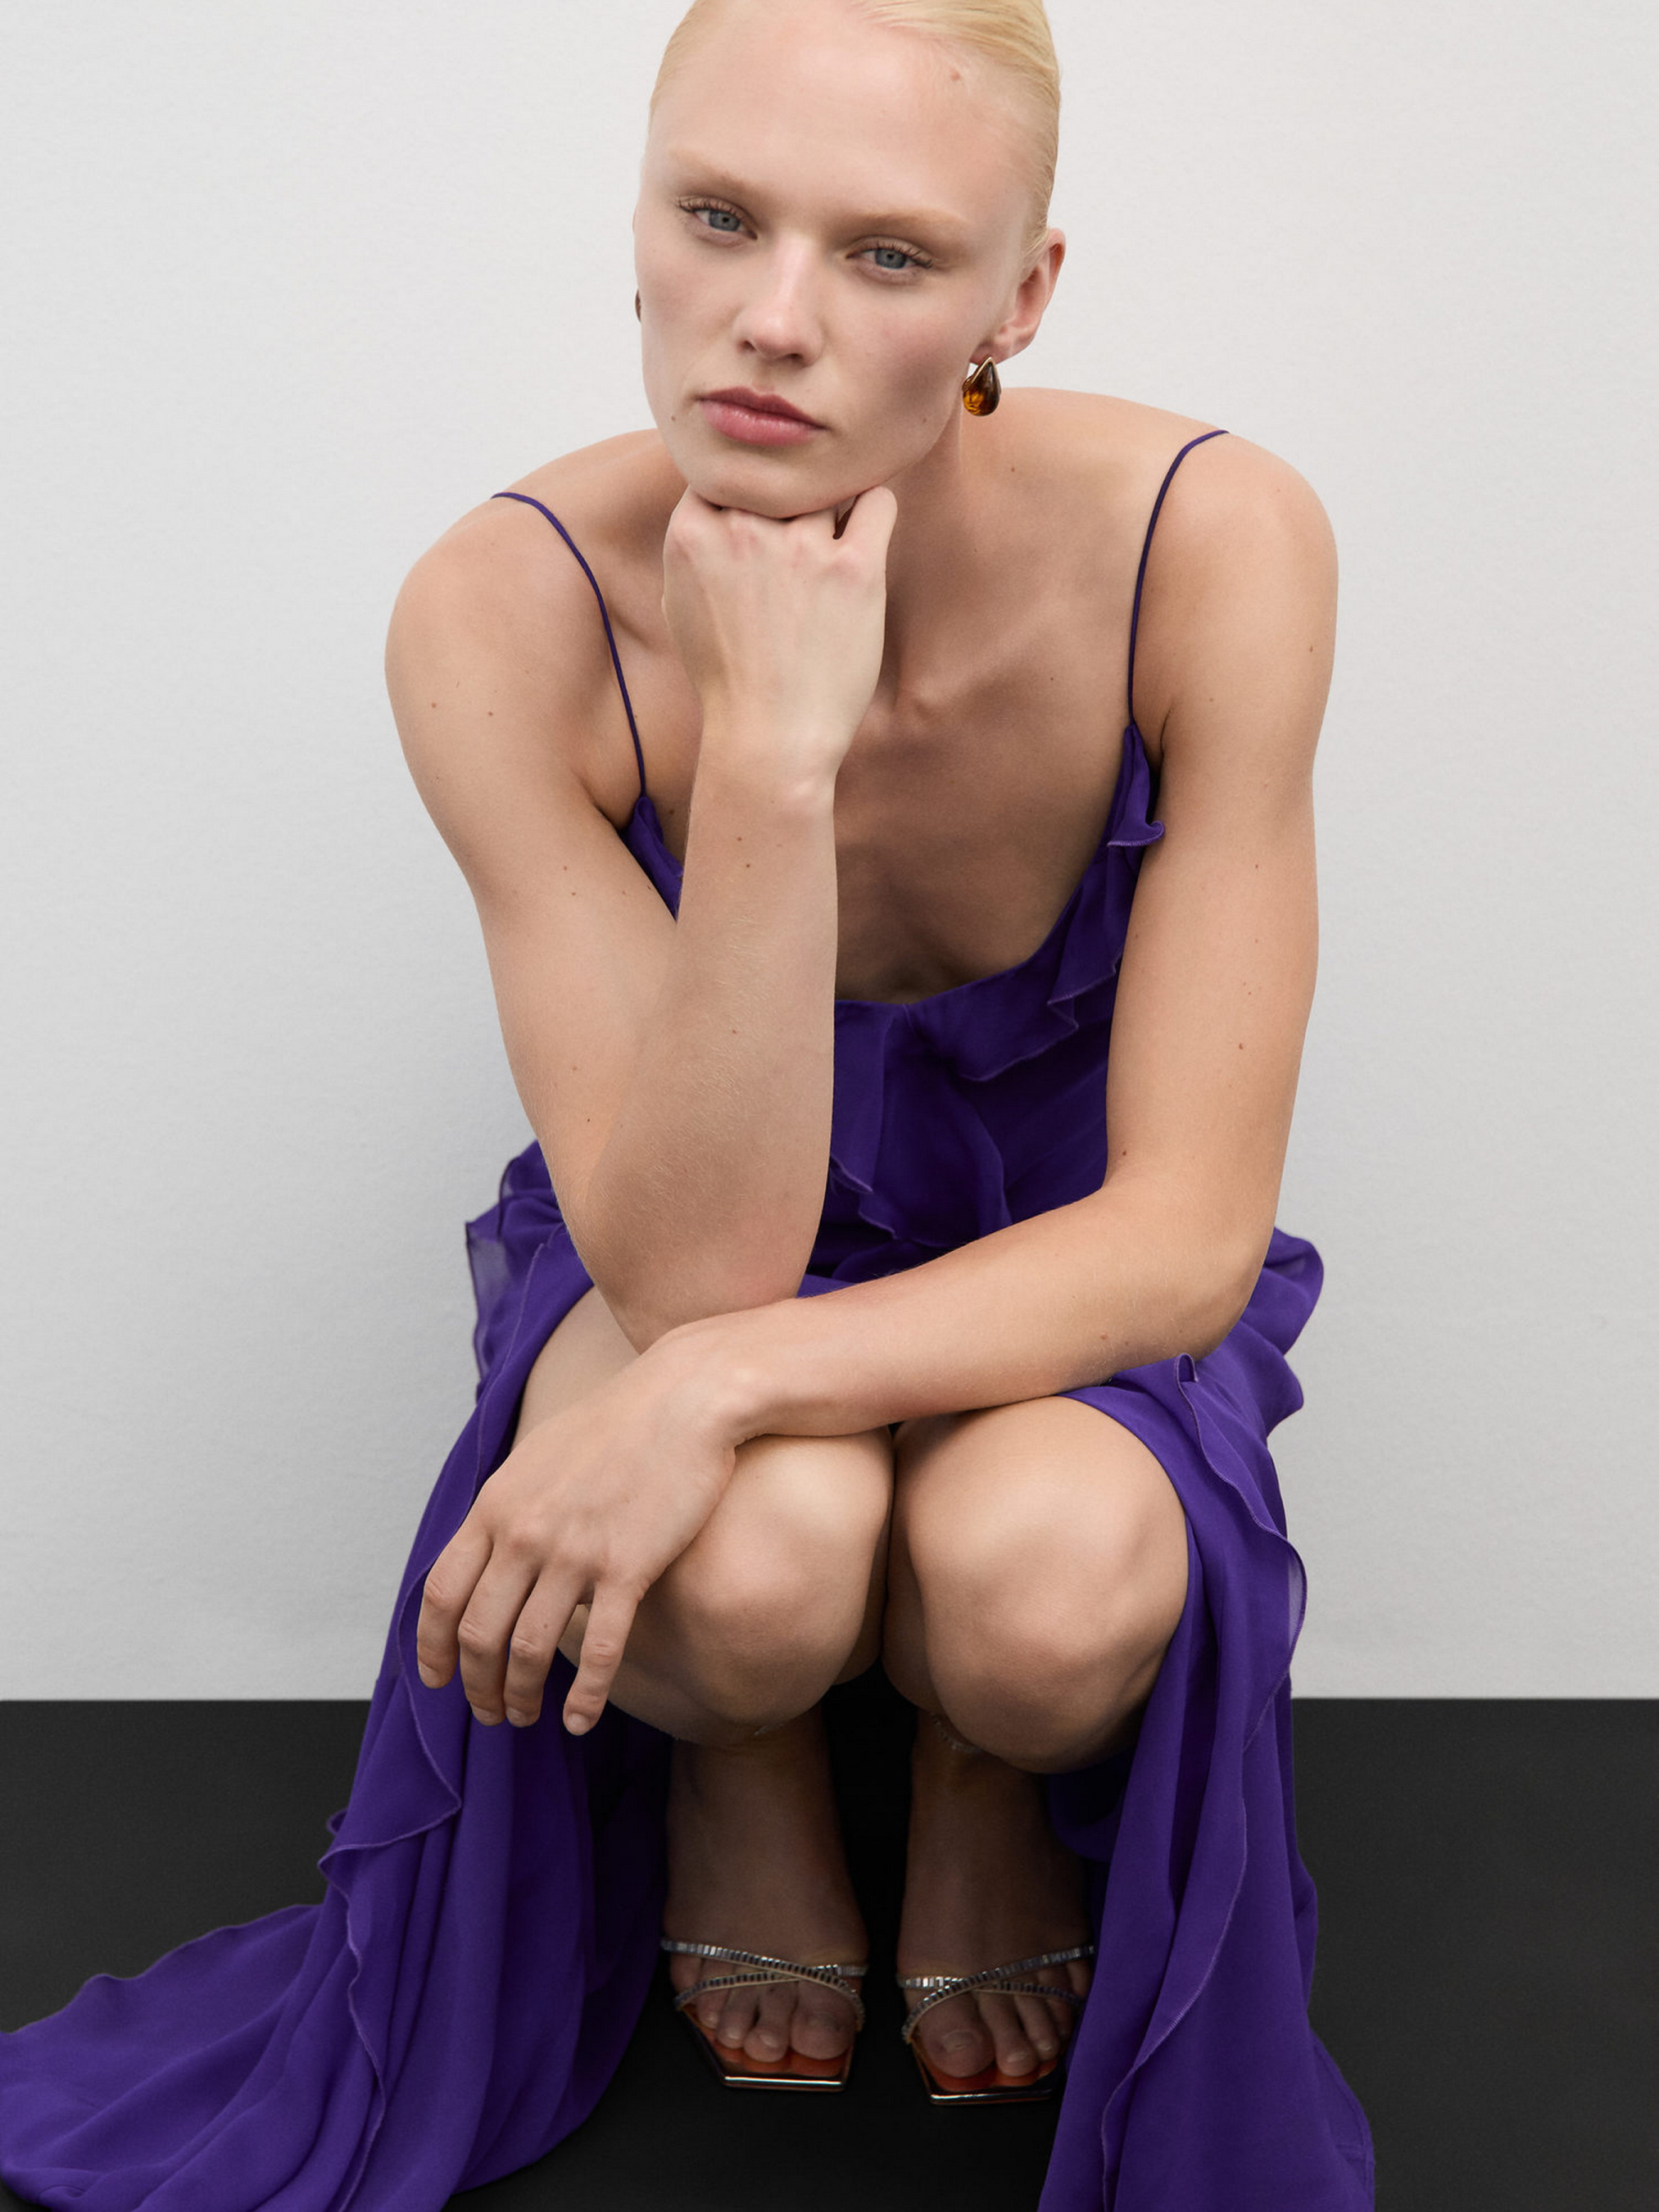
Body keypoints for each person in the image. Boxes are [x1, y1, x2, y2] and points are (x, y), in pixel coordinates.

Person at [0, 1, 1375, 2205]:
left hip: (1061, 1277)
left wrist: (701, 1393)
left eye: (888, 254)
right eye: (719, 217)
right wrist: (769, 757)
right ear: (638, 215)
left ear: (1022, 296)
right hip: (683, 1234)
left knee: (1044, 1594)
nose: (773, 321)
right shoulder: (500, 610)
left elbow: (1184, 1234)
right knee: (750, 1576)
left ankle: (971, 1771)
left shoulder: (1214, 540)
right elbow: (695, 1262)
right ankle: (745, 1749)